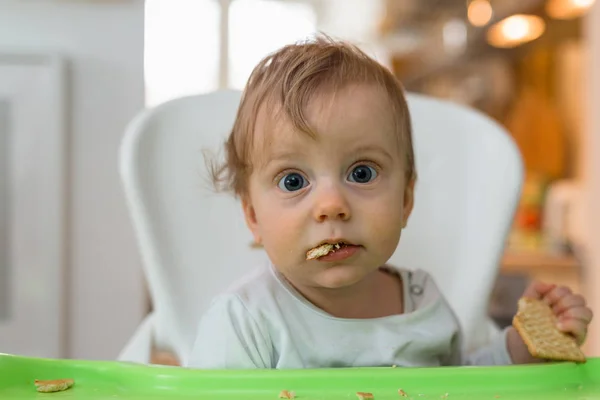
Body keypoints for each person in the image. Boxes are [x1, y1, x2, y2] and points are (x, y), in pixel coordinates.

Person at [186, 36, 593, 369]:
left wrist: (521, 348)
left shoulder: (422, 302)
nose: (331, 205)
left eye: (361, 173)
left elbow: (457, 383)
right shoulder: (245, 324)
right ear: (253, 216)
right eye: (294, 181)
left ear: (406, 200)